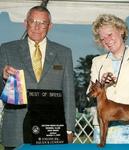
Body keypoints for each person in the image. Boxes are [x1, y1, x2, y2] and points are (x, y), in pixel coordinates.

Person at [0, 6, 76, 150]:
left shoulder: (64, 53)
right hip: (16, 130)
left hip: (51, 130)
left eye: (42, 22)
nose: (36, 26)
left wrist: (69, 129)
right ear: (25, 23)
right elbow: (1, 91)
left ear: (50, 26)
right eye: (32, 21)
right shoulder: (7, 49)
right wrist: (3, 78)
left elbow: (69, 94)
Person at [87, 14, 129, 144]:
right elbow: (90, 93)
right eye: (102, 38)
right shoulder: (97, 62)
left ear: (121, 30)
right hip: (102, 131)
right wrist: (102, 83)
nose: (107, 40)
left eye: (109, 34)